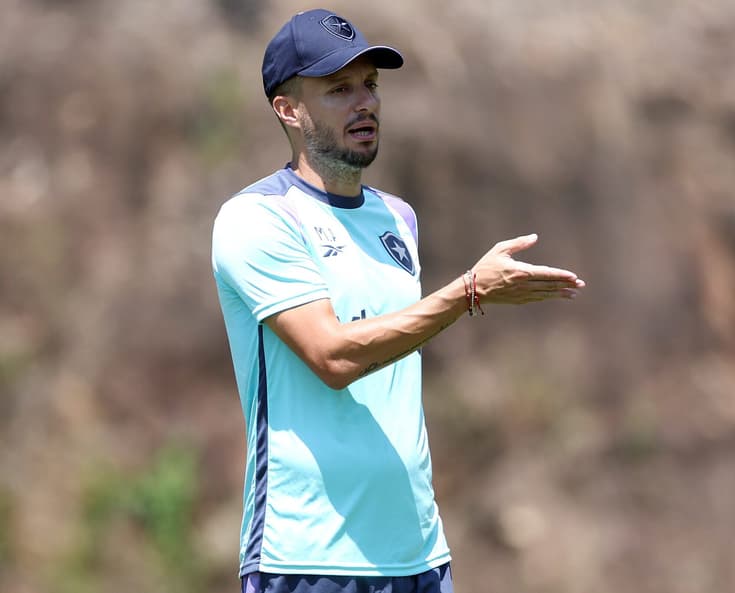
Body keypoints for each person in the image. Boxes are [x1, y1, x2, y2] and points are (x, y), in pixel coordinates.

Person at [211, 8, 585, 593]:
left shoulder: (398, 217)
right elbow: (333, 357)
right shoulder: (256, 219)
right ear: (288, 109)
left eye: (371, 85)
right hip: (311, 559)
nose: (366, 103)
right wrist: (467, 294)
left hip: (418, 555)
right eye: (340, 89)